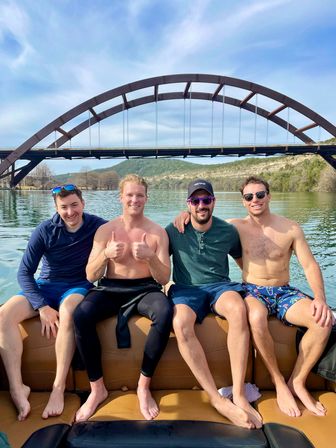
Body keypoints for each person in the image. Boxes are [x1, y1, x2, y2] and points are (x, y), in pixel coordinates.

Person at [229, 176, 335, 417]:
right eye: (249, 197)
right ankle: (278, 382)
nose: (255, 200)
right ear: (243, 202)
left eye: (260, 194)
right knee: (255, 317)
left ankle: (296, 382)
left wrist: (320, 297)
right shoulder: (235, 226)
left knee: (322, 321)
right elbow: (201, 224)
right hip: (253, 290)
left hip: (283, 291)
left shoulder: (290, 228)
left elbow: (309, 265)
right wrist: (183, 216)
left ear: (269, 195)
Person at [0, 184, 106, 421]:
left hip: (78, 285)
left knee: (68, 310)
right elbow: (24, 273)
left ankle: (58, 388)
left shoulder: (97, 226)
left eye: (74, 205)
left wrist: (183, 217)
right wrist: (41, 306)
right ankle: (18, 388)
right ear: (57, 208)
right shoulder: (45, 230)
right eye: (64, 207)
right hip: (46, 286)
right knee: (4, 315)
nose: (70, 212)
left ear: (83, 203)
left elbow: (126, 227)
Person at [73, 174, 173, 422]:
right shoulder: (105, 230)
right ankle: (97, 389)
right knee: (81, 315)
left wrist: (150, 257)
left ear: (146, 198)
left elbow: (163, 279)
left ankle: (143, 385)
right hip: (110, 288)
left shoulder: (157, 232)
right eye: (129, 194)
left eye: (139, 195)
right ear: (121, 197)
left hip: (145, 289)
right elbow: (90, 275)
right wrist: (106, 254)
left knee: (165, 311)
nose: (134, 199)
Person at [166, 179, 262, 430]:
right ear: (188, 204)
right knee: (179, 321)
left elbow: (245, 265)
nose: (201, 205)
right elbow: (158, 264)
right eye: (195, 201)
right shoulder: (173, 230)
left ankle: (239, 393)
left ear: (214, 202)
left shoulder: (227, 231)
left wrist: (263, 287)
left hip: (220, 286)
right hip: (187, 289)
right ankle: (217, 398)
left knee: (238, 309)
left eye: (206, 200)